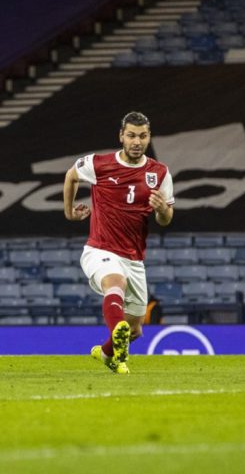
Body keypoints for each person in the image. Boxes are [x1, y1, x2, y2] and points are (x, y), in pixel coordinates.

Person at [63, 112, 175, 374]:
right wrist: (68, 212)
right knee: (116, 283)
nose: (137, 141)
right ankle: (116, 329)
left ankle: (106, 353)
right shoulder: (99, 164)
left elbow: (166, 218)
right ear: (121, 136)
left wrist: (161, 210)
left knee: (135, 329)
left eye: (143, 136)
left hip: (134, 257)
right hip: (100, 249)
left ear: (149, 137)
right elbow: (71, 176)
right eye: (132, 135)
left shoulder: (159, 173)